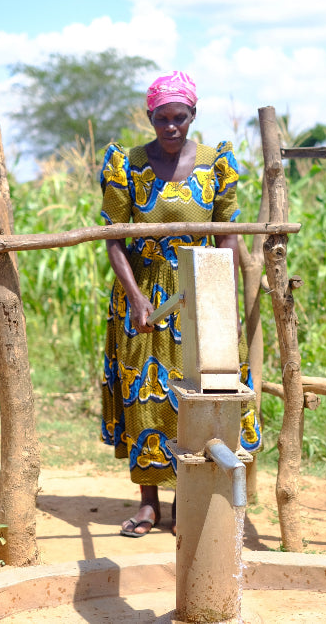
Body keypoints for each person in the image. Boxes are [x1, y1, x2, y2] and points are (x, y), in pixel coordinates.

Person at [99, 71, 261, 538]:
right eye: (161, 118)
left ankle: (184, 500)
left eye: (180, 118)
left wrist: (223, 300)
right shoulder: (125, 164)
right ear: (150, 117)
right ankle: (148, 505)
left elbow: (228, 236)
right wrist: (135, 297)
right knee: (144, 398)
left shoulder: (217, 164)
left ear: (193, 116)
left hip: (201, 292)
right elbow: (113, 239)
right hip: (143, 293)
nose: (171, 127)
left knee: (196, 394)